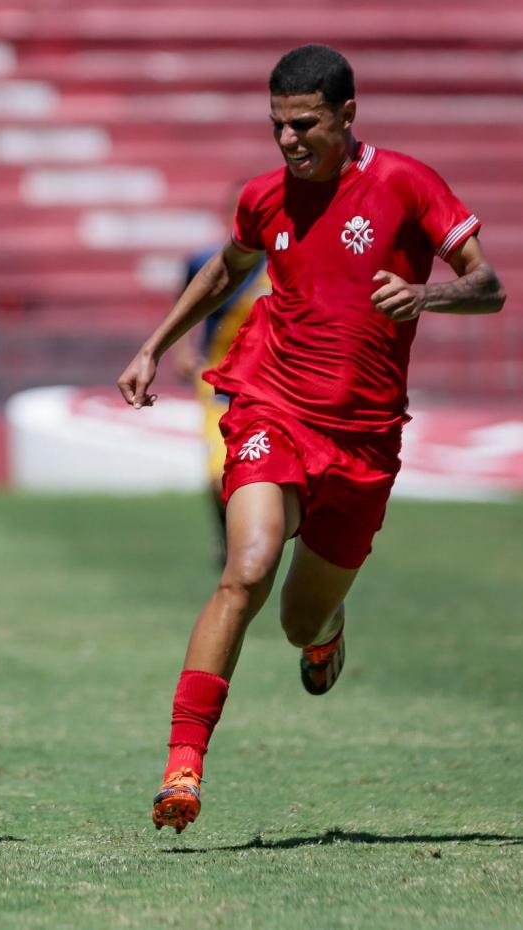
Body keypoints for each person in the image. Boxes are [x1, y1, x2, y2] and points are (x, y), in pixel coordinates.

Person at [116, 45, 505, 833]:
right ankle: (183, 769)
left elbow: (488, 286)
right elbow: (224, 274)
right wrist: (154, 344)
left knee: (298, 620)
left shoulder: (404, 183)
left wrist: (426, 294)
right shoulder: (266, 197)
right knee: (247, 568)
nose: (289, 140)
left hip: (364, 437)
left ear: (346, 115)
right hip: (273, 404)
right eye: (277, 126)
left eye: (304, 124)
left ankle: (325, 634)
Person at [171, 241, 269, 567]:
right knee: (219, 477)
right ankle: (227, 532)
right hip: (220, 383)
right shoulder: (206, 259)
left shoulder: (285, 261)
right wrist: (183, 347)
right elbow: (187, 298)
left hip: (270, 387)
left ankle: (252, 543)